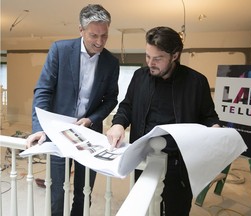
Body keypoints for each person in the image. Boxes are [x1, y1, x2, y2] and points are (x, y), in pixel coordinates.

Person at [106, 26, 221, 216]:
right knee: (147, 210)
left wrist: (214, 127)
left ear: (175, 55)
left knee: (177, 210)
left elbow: (209, 116)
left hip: (179, 163)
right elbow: (127, 106)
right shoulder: (139, 76)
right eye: (147, 56)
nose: (150, 63)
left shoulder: (197, 82)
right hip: (144, 159)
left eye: (158, 58)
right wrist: (118, 124)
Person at [26, 4, 119, 216]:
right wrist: (39, 128)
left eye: (104, 35)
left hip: (89, 135)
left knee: (84, 191)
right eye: (93, 35)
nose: (99, 42)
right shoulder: (60, 50)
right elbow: (43, 91)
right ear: (81, 30)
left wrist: (92, 119)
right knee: (56, 191)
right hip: (58, 133)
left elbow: (111, 98)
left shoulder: (111, 62)